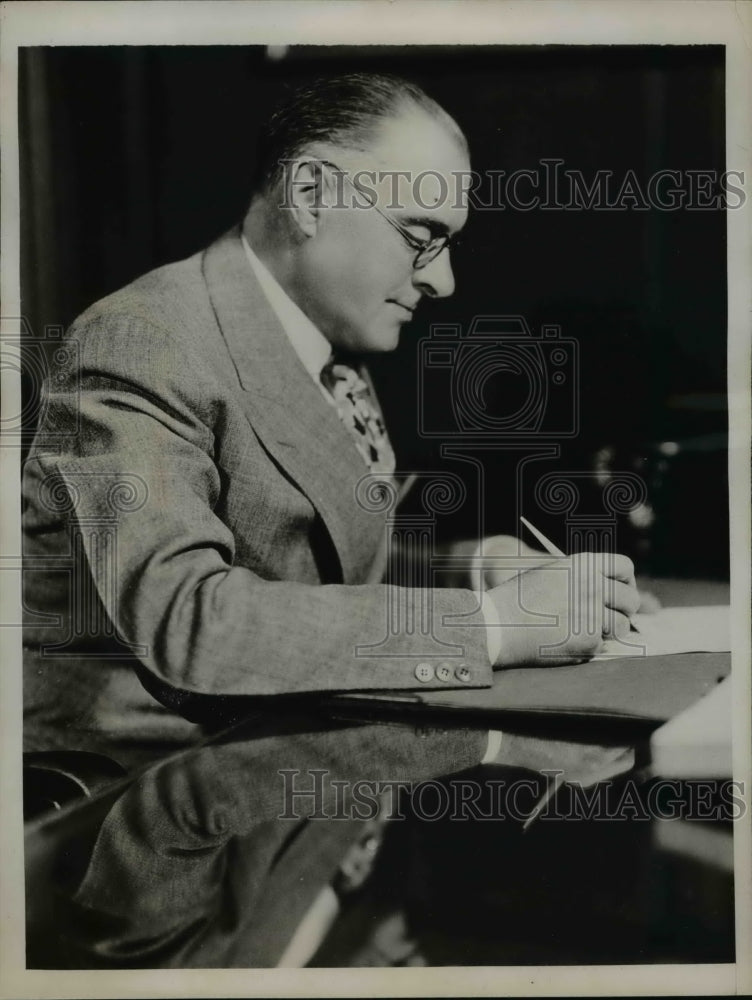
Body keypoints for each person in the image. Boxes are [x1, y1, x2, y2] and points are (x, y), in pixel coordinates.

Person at [22, 72, 639, 964]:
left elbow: (298, 569)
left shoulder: (315, 339)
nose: (447, 280)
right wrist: (496, 625)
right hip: (149, 832)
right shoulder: (142, 342)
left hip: (297, 799)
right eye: (424, 238)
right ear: (312, 194)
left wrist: (471, 571)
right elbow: (193, 619)